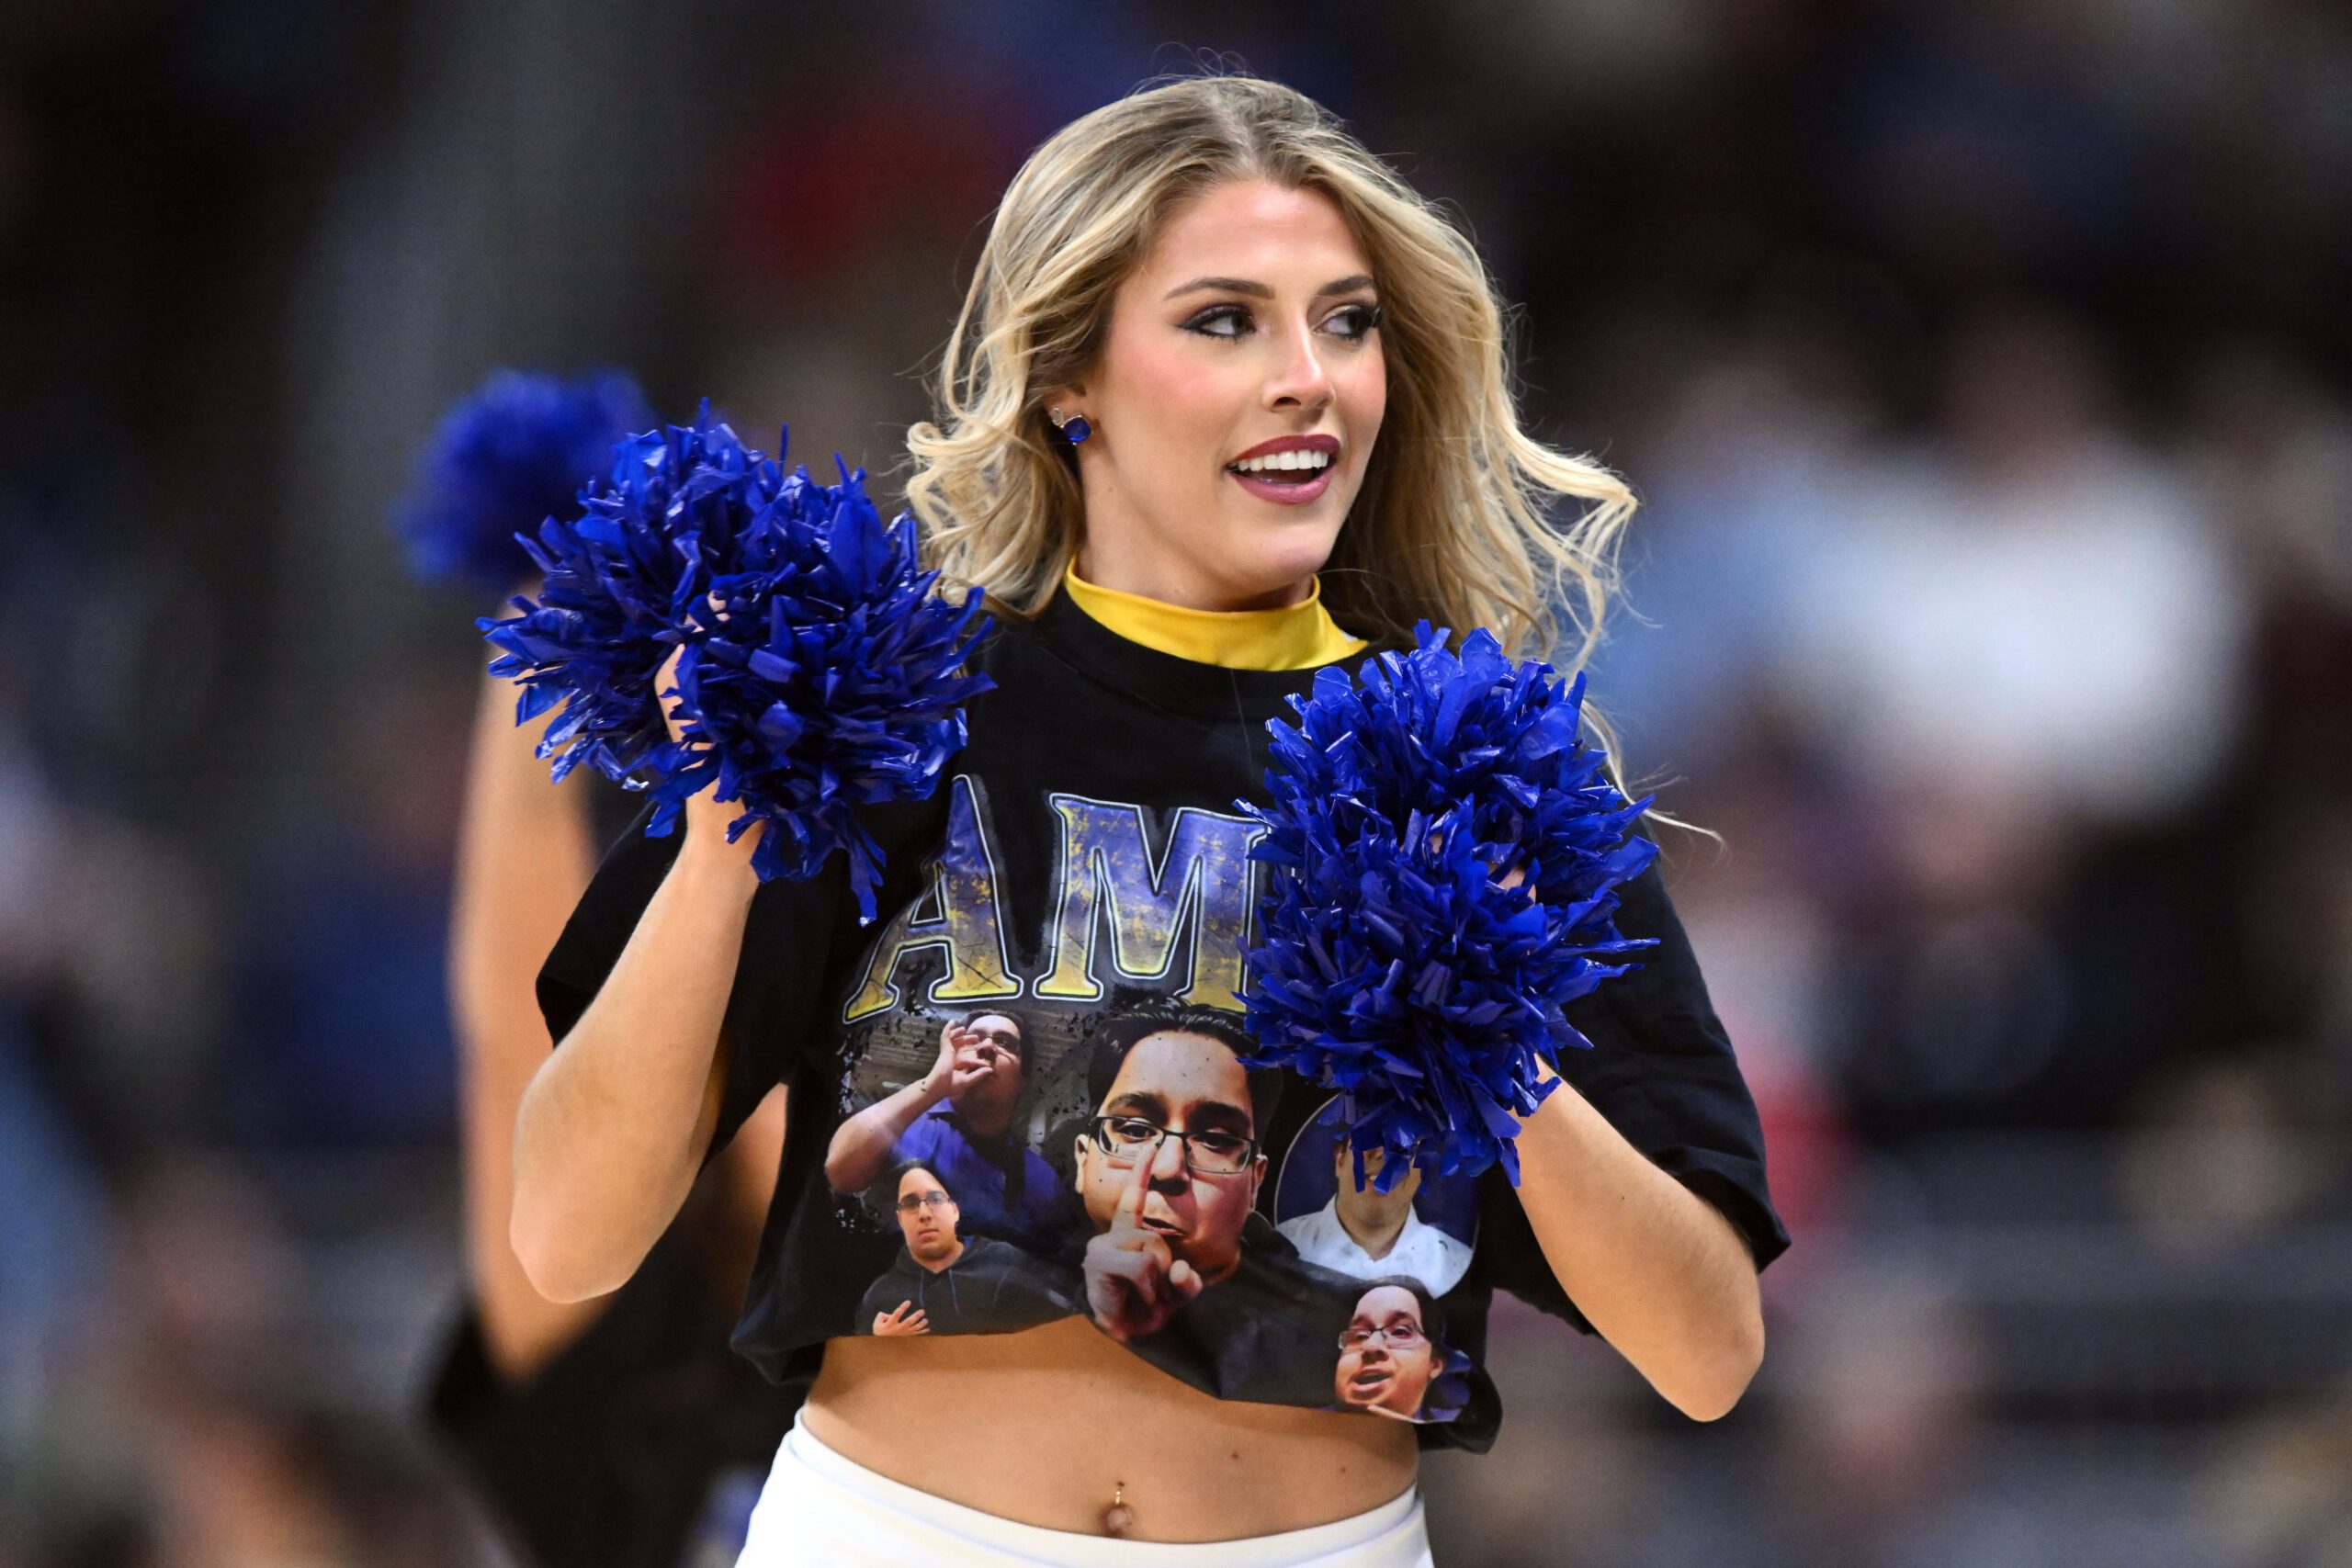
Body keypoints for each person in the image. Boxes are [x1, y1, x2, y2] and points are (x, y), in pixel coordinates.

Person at [514, 72, 1789, 1564]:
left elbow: (1710, 1352)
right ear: (1070, 380)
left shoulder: (1477, 771)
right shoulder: (880, 705)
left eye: (1347, 320)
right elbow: (567, 1234)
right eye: (1225, 319)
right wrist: (731, 831)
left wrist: (1488, 1037)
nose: (1308, 375)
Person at [825, 1010, 1069, 1247]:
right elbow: (839, 1172)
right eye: (973, 1040)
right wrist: (933, 1085)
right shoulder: (903, 1123)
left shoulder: (1042, 1179)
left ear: (1021, 1080)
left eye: (1004, 1042)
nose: (986, 1047)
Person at [859, 1159, 1080, 1337]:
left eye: (935, 1199)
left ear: (955, 1210)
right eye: (910, 1204)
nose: (924, 1213)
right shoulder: (881, 1297)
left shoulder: (1007, 1263)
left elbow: (1070, 1328)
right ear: (899, 1219)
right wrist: (879, 1347)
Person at [1279, 1142, 1475, 1297]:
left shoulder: (1457, 1262)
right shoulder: (1278, 1248)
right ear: (1340, 1160)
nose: (1384, 1154)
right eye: (1368, 1137)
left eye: (1404, 1145)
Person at [1332, 1281, 1444, 1422]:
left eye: (1400, 1332)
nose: (1371, 1347)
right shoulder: (1303, 1423)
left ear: (1434, 1364)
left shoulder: (1461, 1432)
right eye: (1360, 1336)